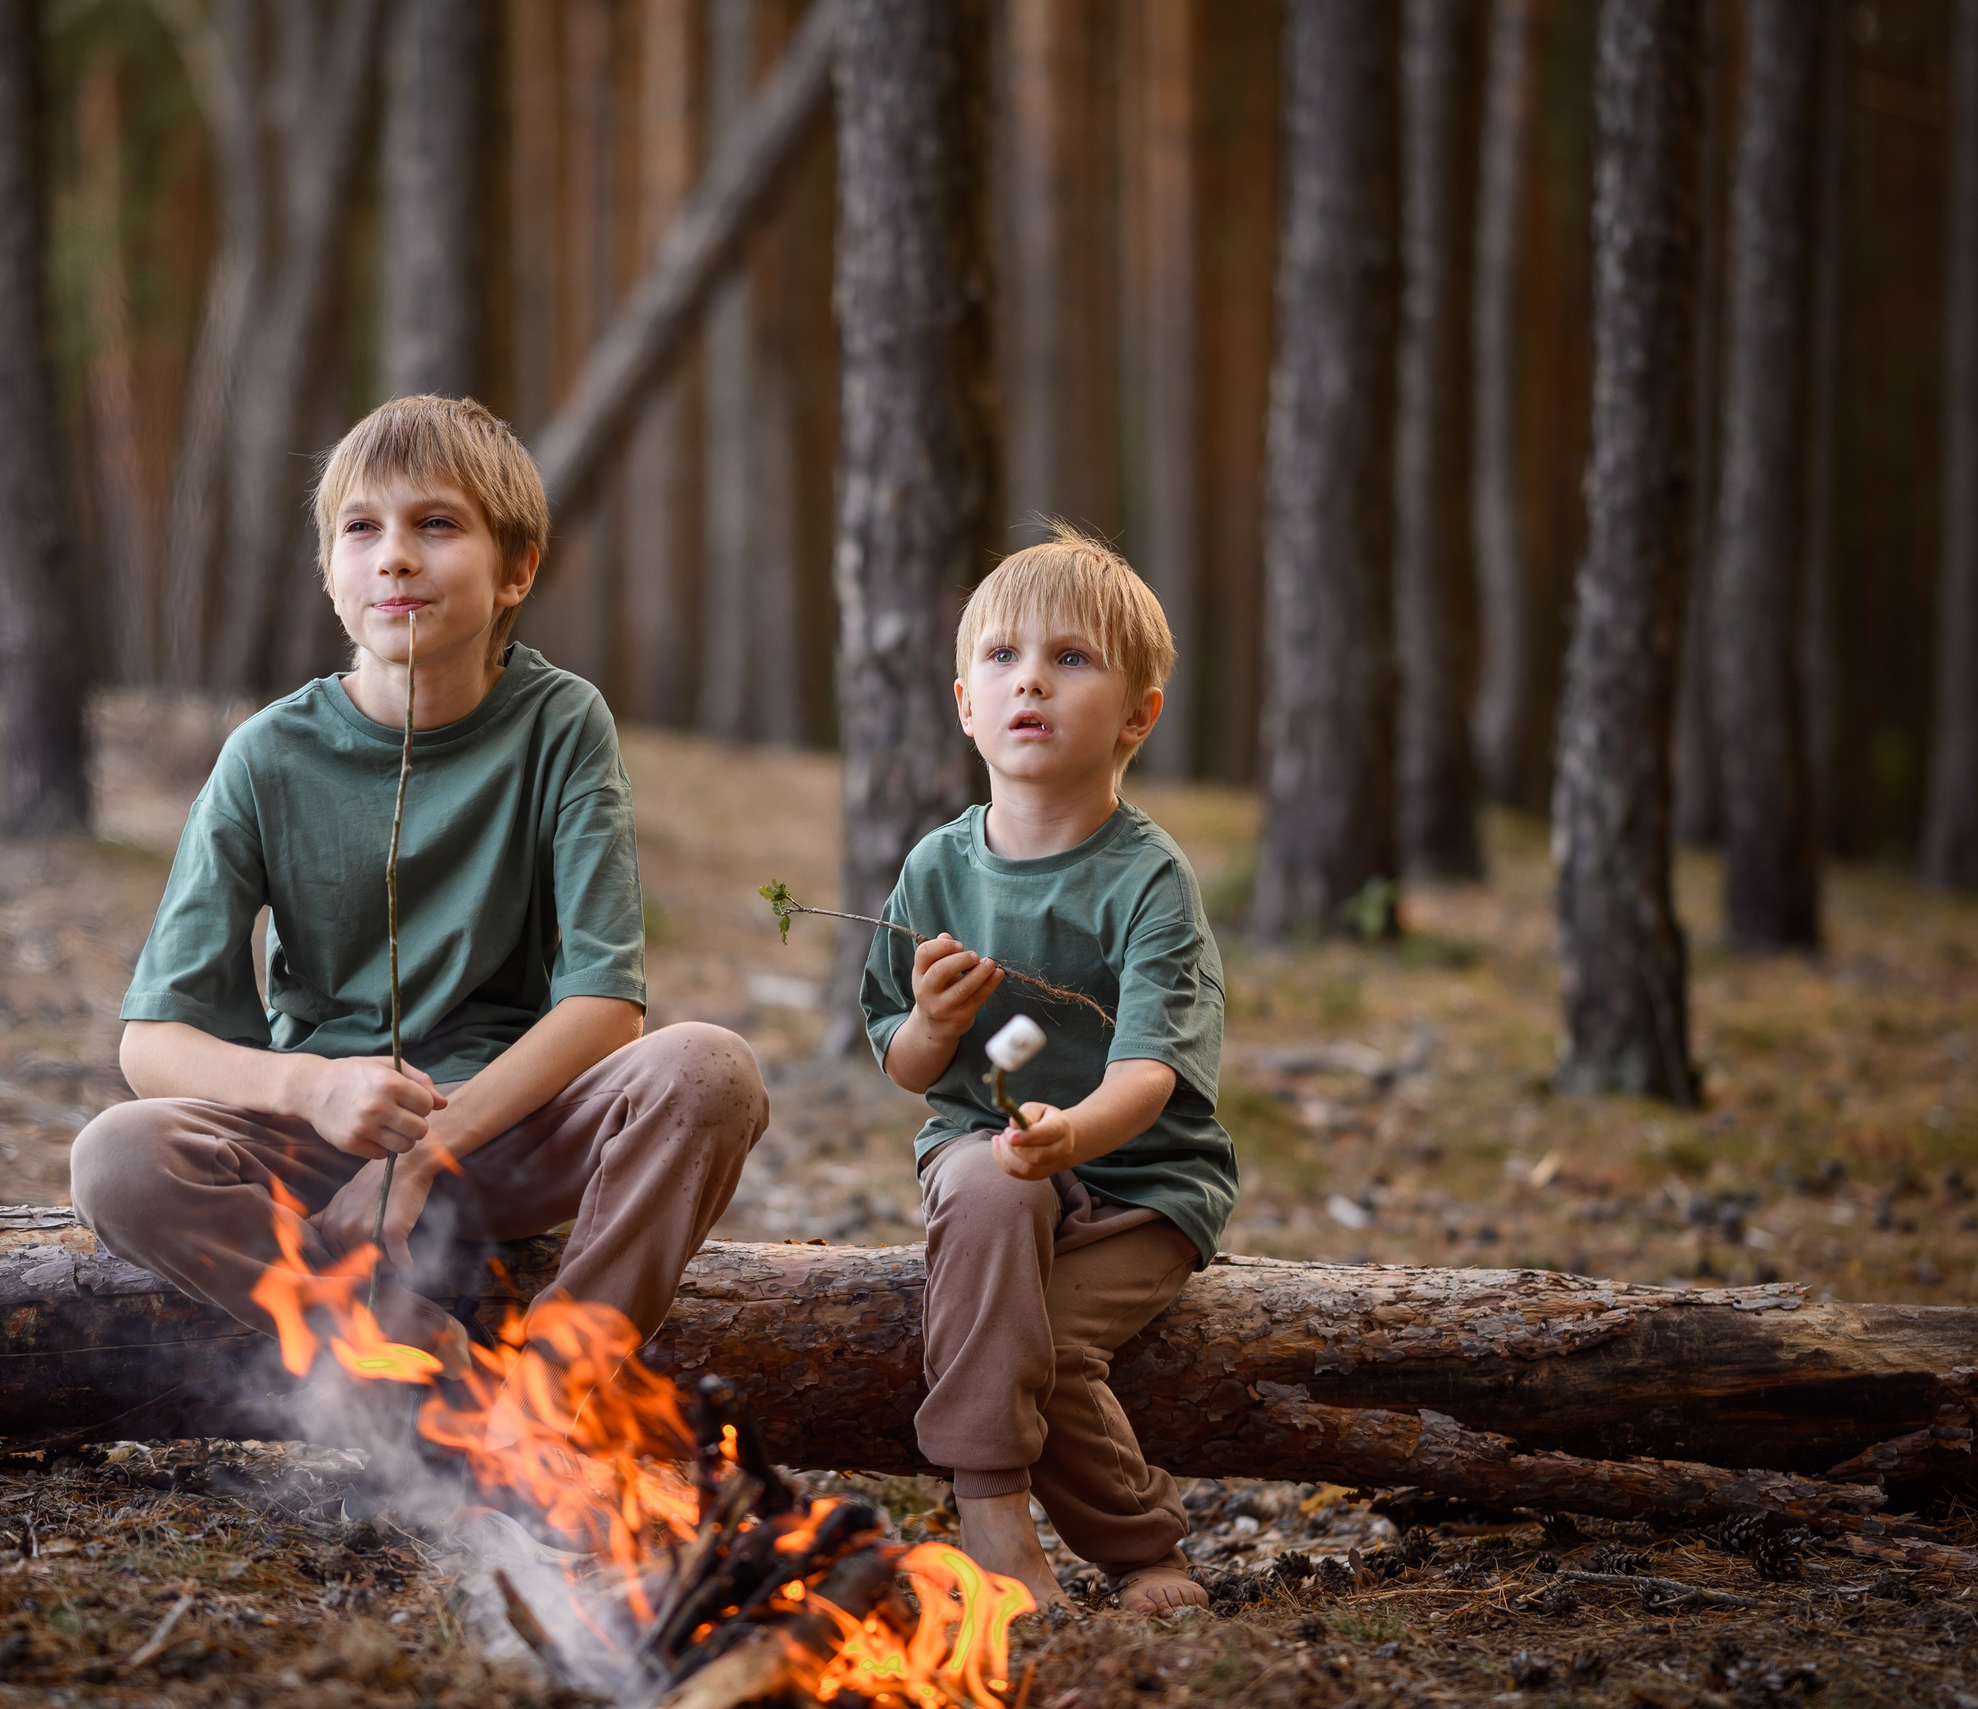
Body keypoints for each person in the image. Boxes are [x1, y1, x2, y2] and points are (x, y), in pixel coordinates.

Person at [71, 394, 767, 1366]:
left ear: (517, 569)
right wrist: (313, 1087)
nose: (394, 556)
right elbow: (153, 1043)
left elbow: (607, 1007)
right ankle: (422, 1375)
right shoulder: (265, 755)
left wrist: (429, 1151)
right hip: (317, 1146)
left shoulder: (562, 724)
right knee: (116, 1156)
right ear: (329, 571)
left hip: (506, 1133)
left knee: (710, 1069)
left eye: (436, 524)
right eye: (361, 528)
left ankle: (560, 1381)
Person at [860, 525, 1238, 1617]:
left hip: (1139, 1183)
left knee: (1055, 1348)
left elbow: (1150, 1075)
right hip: (990, 1155)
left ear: (1137, 715)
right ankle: (991, 1517)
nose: (1029, 679)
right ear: (965, 704)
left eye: (1070, 658)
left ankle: (1142, 1550)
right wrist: (933, 1023)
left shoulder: (1149, 881)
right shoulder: (935, 867)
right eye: (1002, 657)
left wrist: (1073, 1134)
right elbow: (902, 1058)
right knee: (989, 1177)